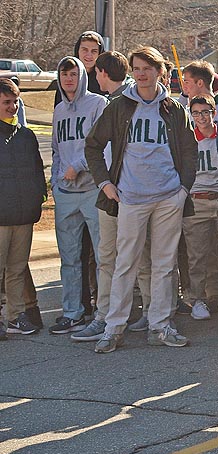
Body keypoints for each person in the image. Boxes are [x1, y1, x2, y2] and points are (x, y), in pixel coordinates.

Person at [85, 46, 197, 354]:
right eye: (136, 68)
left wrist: (183, 190)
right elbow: (93, 146)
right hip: (130, 197)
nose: (141, 73)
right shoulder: (120, 107)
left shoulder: (174, 109)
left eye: (147, 68)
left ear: (160, 71)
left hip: (167, 198)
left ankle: (159, 325)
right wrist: (105, 182)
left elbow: (190, 151)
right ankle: (114, 327)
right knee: (125, 263)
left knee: (164, 265)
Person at [70, 51, 132, 342]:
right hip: (110, 193)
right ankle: (106, 315)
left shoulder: (130, 102)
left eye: (97, 72)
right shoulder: (112, 105)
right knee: (108, 257)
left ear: (103, 73)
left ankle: (151, 317)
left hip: (134, 194)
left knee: (133, 259)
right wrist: (105, 183)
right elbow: (94, 148)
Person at [48, 57, 108, 335]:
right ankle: (73, 313)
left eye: (73, 74)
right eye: (64, 74)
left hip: (93, 189)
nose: (69, 79)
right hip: (66, 194)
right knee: (69, 257)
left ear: (82, 75)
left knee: (103, 255)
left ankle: (105, 313)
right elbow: (57, 150)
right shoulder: (59, 109)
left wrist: (79, 167)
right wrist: (56, 182)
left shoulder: (97, 104)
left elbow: (102, 145)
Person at [0, 78, 47, 338]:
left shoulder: (26, 136)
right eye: (7, 102)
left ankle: (16, 317)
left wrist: (37, 200)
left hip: (23, 216)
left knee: (17, 269)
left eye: (16, 101)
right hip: (1, 218)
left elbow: (38, 171)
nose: (13, 107)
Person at [182, 95, 218, 322]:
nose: (201, 117)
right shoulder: (189, 139)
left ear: (213, 112)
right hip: (197, 200)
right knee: (197, 255)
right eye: (196, 113)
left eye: (205, 112)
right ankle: (197, 299)